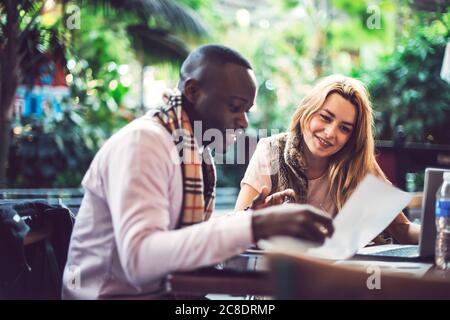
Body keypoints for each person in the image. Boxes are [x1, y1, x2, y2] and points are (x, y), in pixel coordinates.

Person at [62, 45, 334, 299]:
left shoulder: (190, 149)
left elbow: (184, 238)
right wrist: (258, 226)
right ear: (193, 92)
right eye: (235, 107)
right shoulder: (144, 143)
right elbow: (140, 260)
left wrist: (250, 219)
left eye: (247, 110)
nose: (244, 121)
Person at [235, 74, 420, 245]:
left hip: (341, 276)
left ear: (352, 137)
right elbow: (235, 231)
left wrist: (439, 235)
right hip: (283, 272)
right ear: (307, 111)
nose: (331, 133)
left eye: (345, 128)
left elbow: (402, 229)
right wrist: (257, 221)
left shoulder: (359, 164)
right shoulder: (271, 151)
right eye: (325, 117)